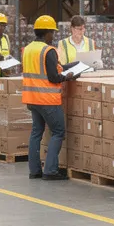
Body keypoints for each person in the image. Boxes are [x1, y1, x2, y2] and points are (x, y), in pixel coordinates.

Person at [23, 15, 77, 181]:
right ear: (46, 32)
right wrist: (67, 77)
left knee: (36, 133)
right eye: (52, 32)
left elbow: (52, 67)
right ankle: (50, 170)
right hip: (47, 100)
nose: (52, 36)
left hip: (32, 98)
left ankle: (35, 170)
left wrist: (73, 65)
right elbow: (54, 76)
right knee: (58, 132)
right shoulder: (48, 50)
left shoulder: (28, 49)